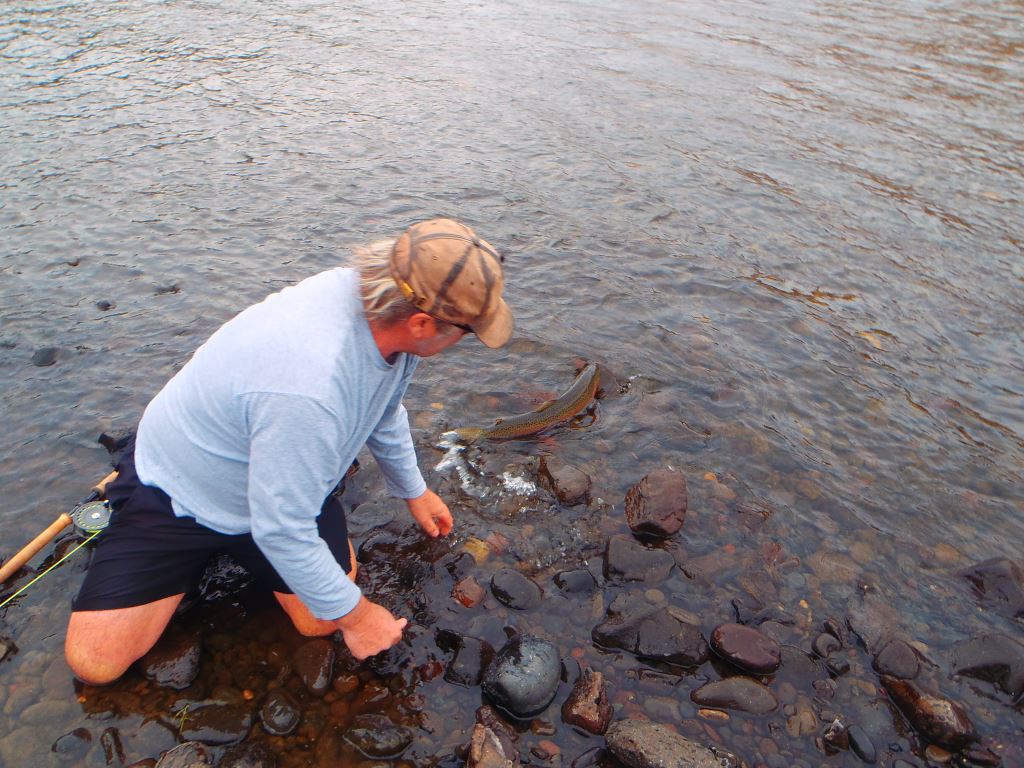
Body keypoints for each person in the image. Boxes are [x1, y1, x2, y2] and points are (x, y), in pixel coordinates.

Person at [65, 218, 513, 685]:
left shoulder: (380, 312)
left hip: (277, 476)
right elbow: (282, 527)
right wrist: (360, 619)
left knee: (319, 621)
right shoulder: (311, 387)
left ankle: (216, 565)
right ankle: (165, 544)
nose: (465, 342)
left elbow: (385, 407)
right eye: (466, 332)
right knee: (95, 662)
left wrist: (413, 490)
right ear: (422, 323)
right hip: (179, 488)